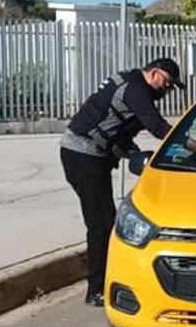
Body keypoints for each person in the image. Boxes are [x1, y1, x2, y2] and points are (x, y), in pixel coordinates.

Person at [60, 58, 184, 306]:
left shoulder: (134, 85)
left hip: (92, 155)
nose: (166, 90)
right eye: (167, 84)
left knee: (106, 221)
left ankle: (104, 282)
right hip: (83, 155)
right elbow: (156, 126)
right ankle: (96, 290)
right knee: (102, 224)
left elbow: (121, 130)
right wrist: (189, 143)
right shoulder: (136, 88)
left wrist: (133, 153)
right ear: (155, 74)